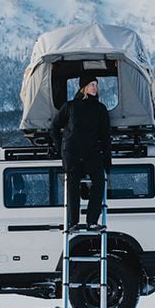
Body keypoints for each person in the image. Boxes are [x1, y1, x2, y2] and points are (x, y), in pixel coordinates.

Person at [50, 72, 112, 231]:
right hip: (72, 153)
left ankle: (92, 221)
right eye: (92, 84)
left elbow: (106, 136)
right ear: (84, 87)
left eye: (97, 85)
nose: (95, 88)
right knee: (72, 186)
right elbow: (54, 127)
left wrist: (107, 158)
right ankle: (73, 222)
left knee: (99, 182)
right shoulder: (71, 106)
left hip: (91, 153)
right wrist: (60, 148)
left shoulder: (100, 109)